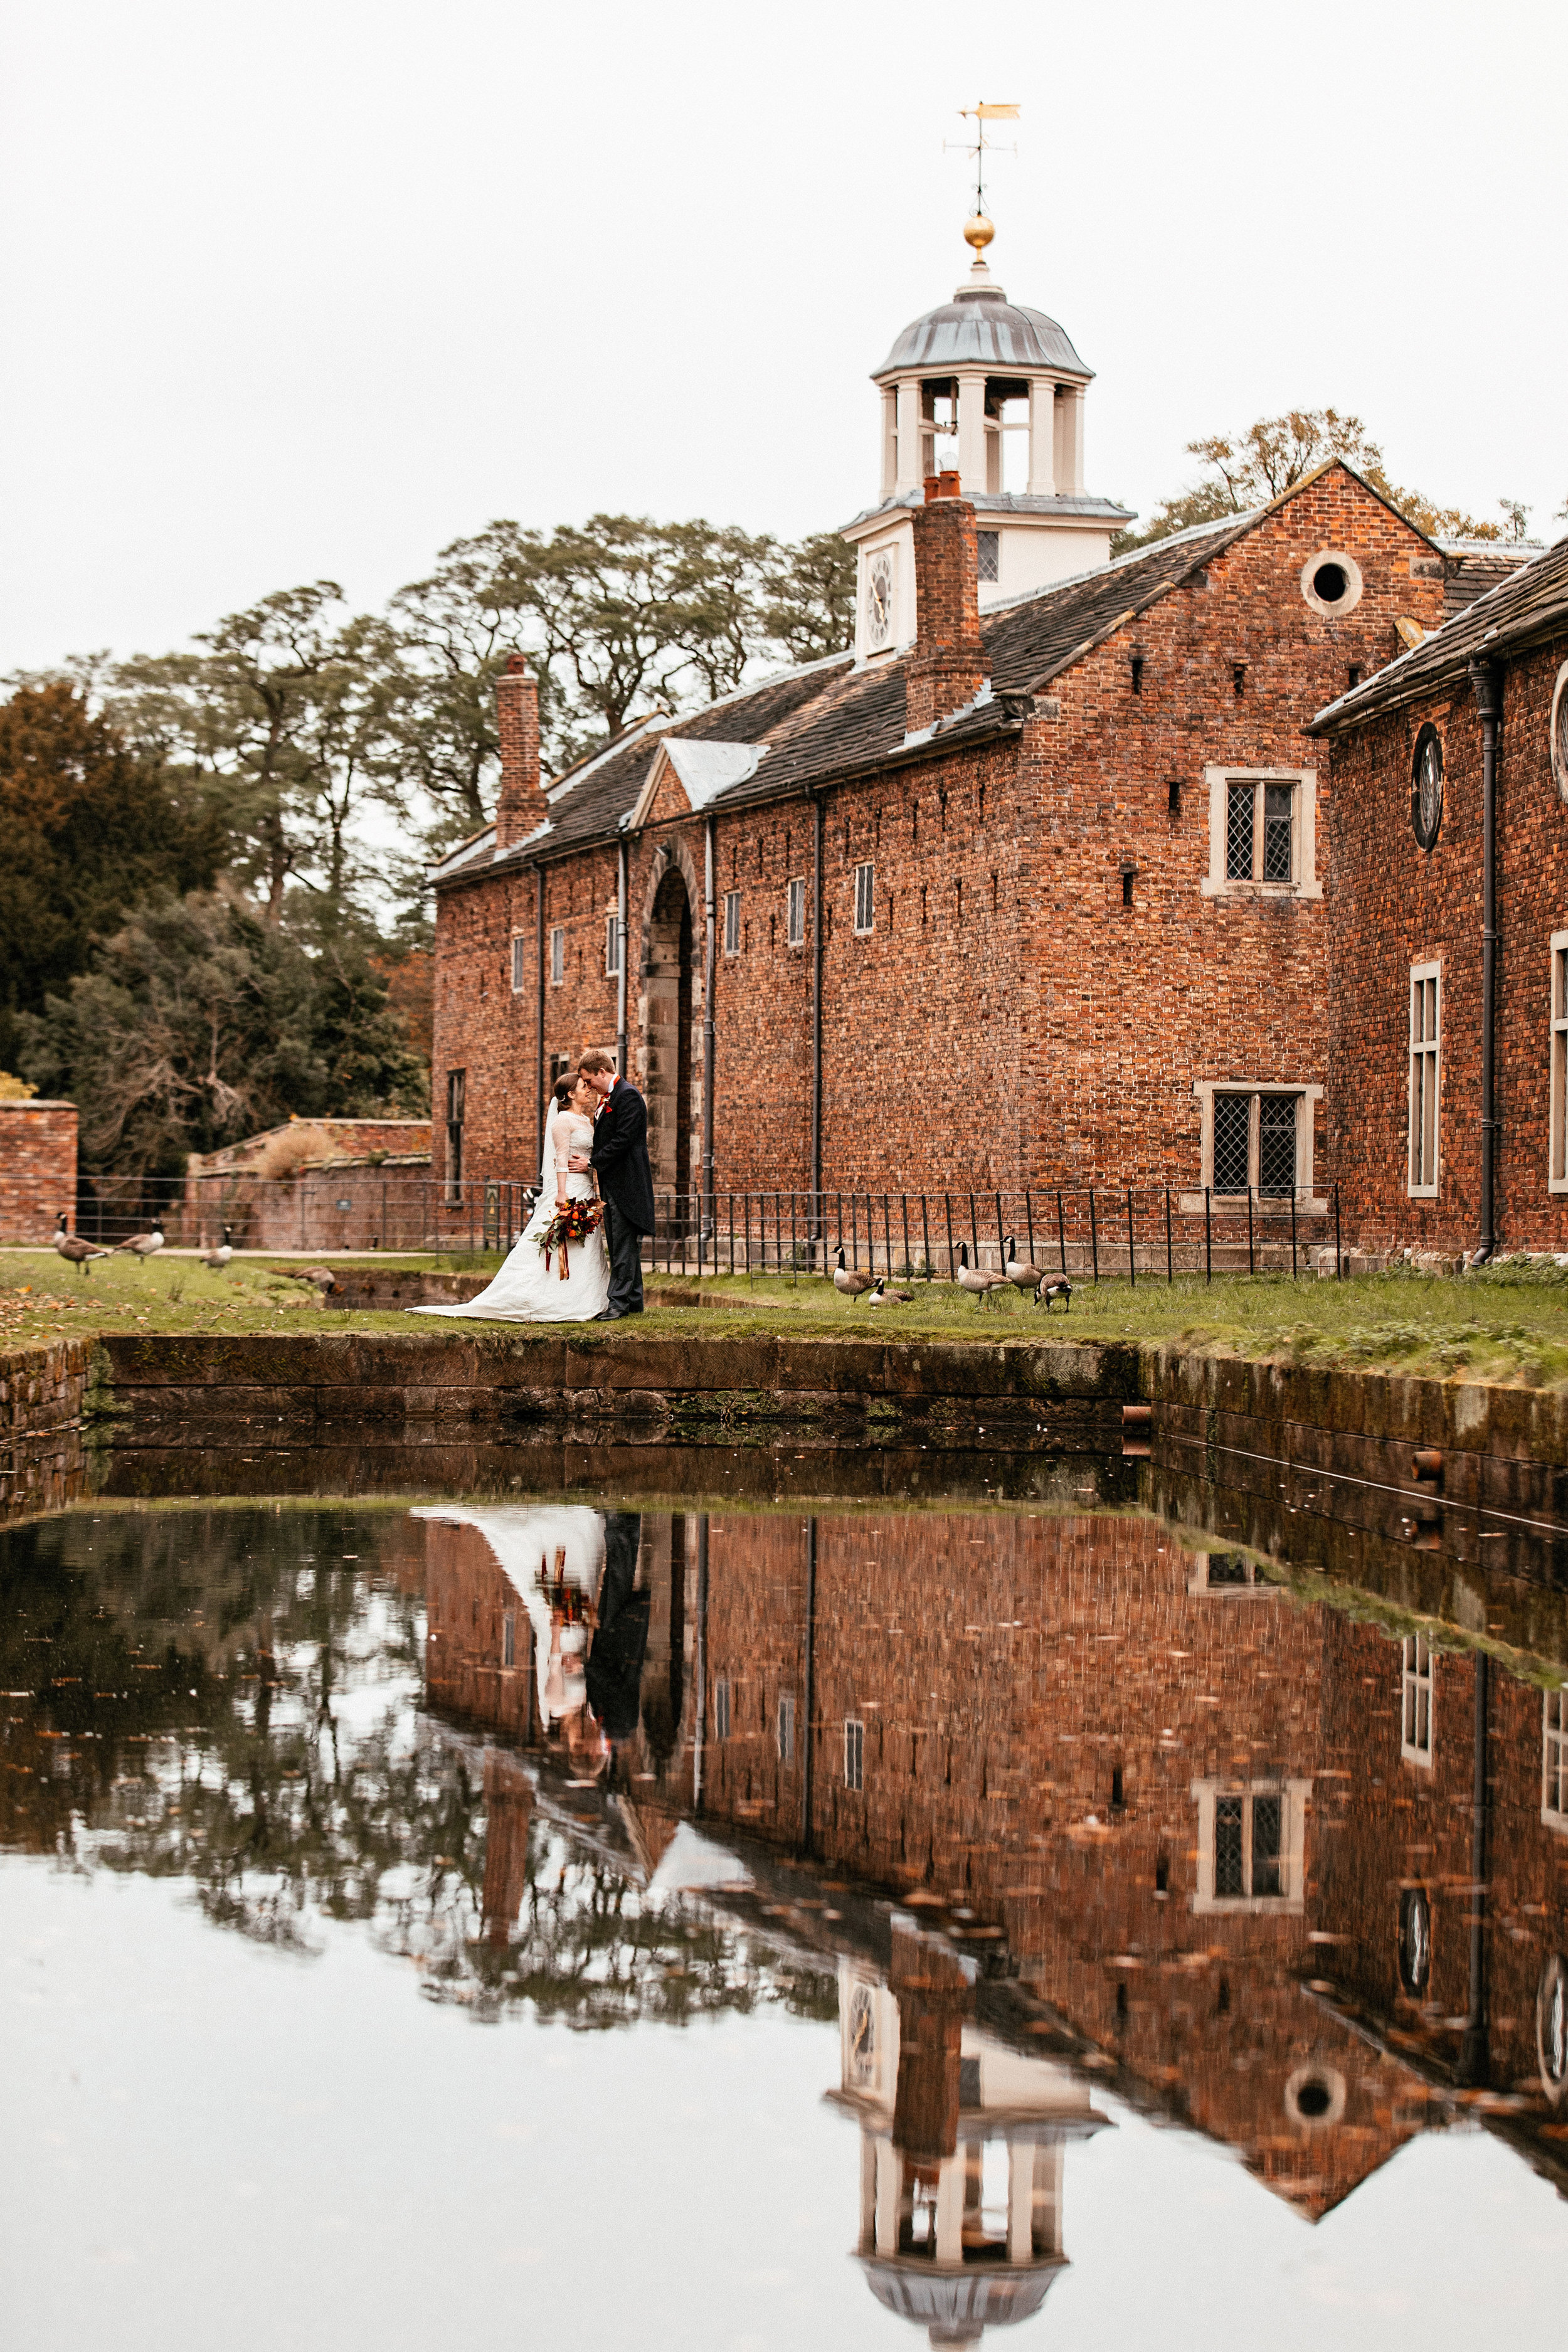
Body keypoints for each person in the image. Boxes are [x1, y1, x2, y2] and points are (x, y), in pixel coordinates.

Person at [407, 1072, 610, 1322]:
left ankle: (587, 1297)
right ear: (570, 1094)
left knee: (584, 1243)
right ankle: (533, 1295)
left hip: (586, 1189)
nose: (588, 1090)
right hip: (568, 1189)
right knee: (552, 1241)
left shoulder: (586, 1121)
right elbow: (560, 1159)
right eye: (583, 1086)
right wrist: (561, 1192)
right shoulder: (563, 1122)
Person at [571, 1051, 655, 1320]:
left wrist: (592, 1163)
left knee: (622, 1244)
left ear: (602, 1072)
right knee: (622, 1243)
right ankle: (634, 1301)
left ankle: (618, 1303)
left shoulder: (627, 1096)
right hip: (613, 1184)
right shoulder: (608, 1099)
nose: (588, 1086)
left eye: (589, 1080)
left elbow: (623, 1140)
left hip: (627, 1184)